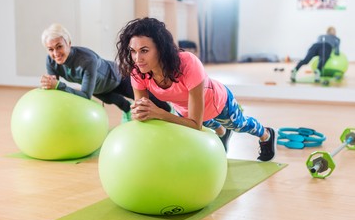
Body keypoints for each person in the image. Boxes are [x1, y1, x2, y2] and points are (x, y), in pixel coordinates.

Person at [116, 17, 276, 161]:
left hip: (217, 103)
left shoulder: (187, 63)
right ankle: (222, 132)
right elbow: (143, 110)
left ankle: (266, 134)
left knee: (240, 125)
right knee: (208, 125)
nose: (137, 59)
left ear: (161, 49)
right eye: (133, 51)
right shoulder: (138, 70)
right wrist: (140, 112)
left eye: (144, 50)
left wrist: (159, 113)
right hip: (187, 111)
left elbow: (195, 125)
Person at [40, 23, 171, 121]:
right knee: (115, 101)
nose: (55, 53)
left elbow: (84, 95)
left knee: (150, 102)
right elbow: (54, 87)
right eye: (50, 49)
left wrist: (58, 85)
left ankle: (171, 110)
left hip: (118, 77)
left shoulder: (86, 59)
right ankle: (128, 113)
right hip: (98, 87)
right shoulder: (50, 61)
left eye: (59, 47)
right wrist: (49, 85)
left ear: (68, 43)